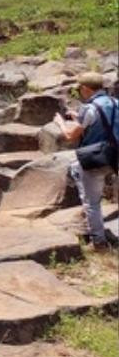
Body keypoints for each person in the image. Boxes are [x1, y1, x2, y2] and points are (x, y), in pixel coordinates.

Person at [55, 72, 118, 252]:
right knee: (75, 168)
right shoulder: (115, 102)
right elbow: (104, 121)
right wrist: (77, 117)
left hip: (97, 158)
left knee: (93, 202)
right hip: (115, 155)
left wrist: (60, 122)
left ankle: (99, 242)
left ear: (85, 89)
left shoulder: (89, 108)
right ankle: (89, 214)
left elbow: (69, 136)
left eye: (80, 89)